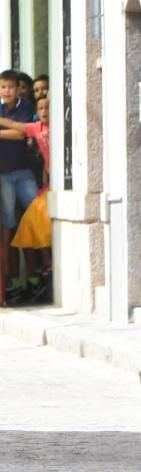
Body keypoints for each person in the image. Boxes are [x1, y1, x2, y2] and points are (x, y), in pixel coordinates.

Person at [0, 95, 51, 304]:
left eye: (49, 107)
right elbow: (15, 125)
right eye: (41, 108)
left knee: (42, 225)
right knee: (31, 224)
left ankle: (47, 268)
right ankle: (45, 269)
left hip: (56, 186)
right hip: (47, 187)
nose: (45, 111)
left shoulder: (59, 128)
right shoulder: (37, 128)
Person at [0, 69, 37, 300]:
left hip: (24, 173)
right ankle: (11, 279)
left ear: (18, 88)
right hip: (3, 175)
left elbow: (22, 134)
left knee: (34, 218)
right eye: (3, 87)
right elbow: (14, 131)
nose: (7, 91)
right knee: (9, 226)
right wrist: (8, 126)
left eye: (11, 87)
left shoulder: (26, 108)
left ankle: (38, 275)